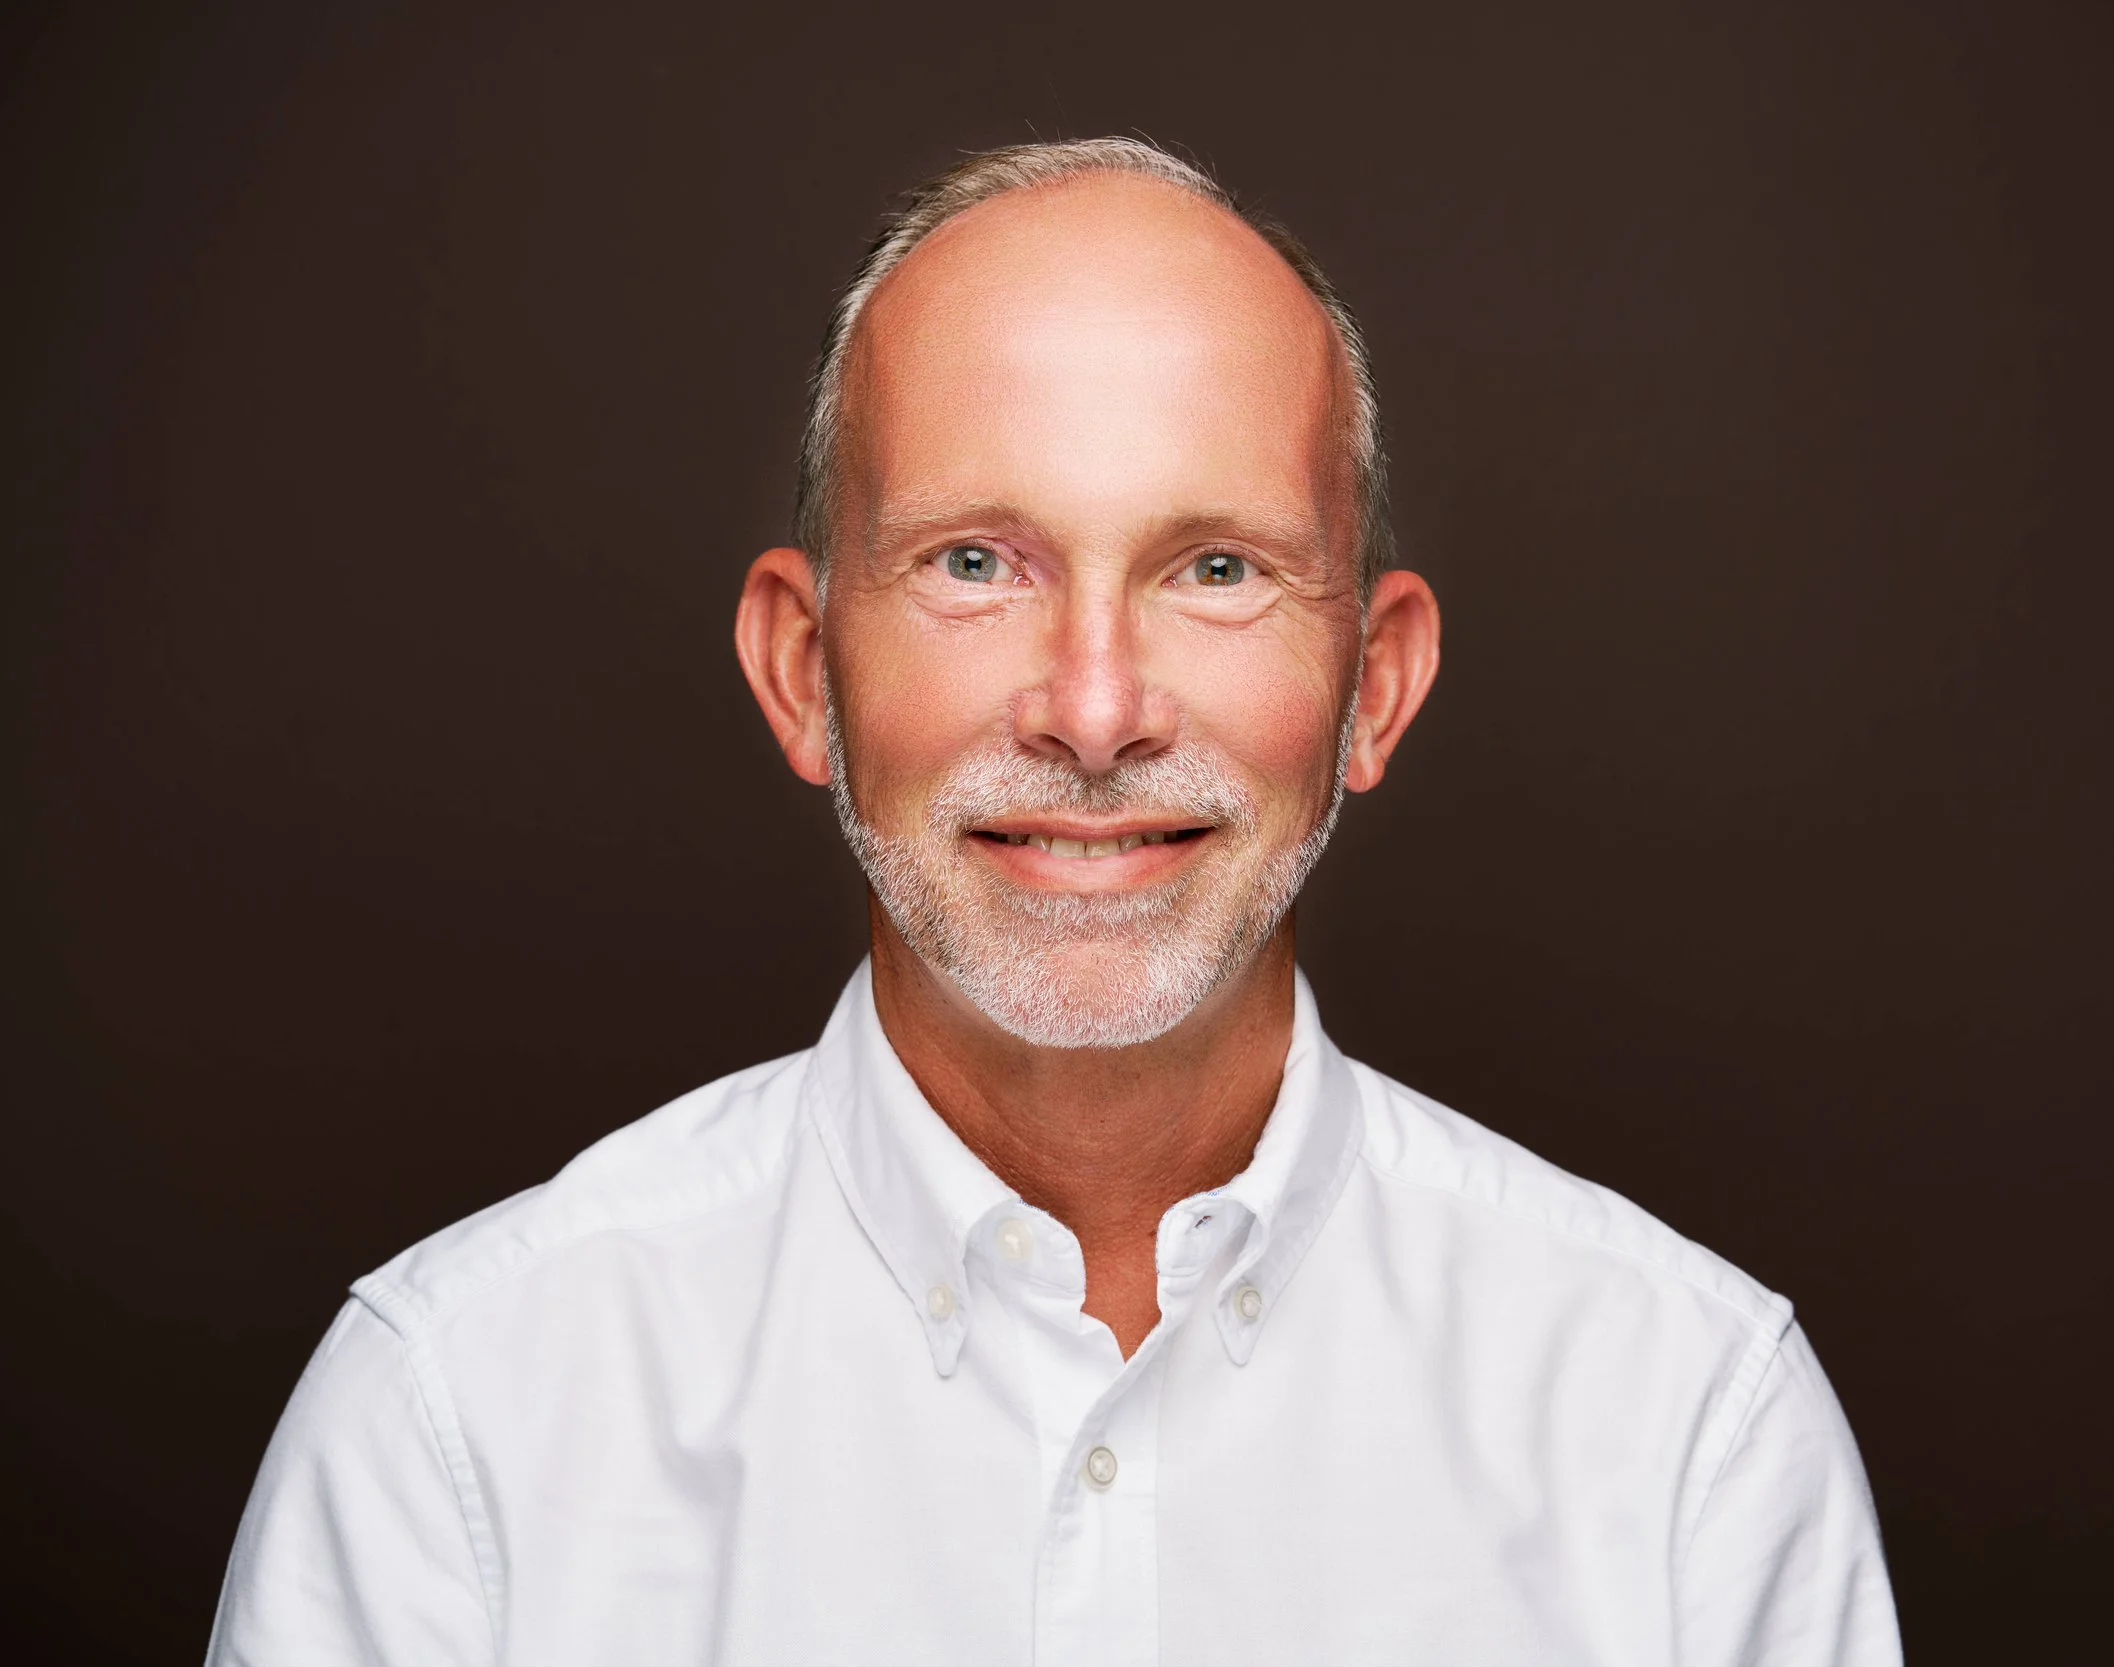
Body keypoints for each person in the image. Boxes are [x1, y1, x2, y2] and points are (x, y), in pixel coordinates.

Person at [208, 137, 1902, 1666]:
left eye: (1216, 570)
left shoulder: (1692, 1434)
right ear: (805, 671)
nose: (1094, 710)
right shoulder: (455, 1429)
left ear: (1375, 687)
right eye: (974, 564)